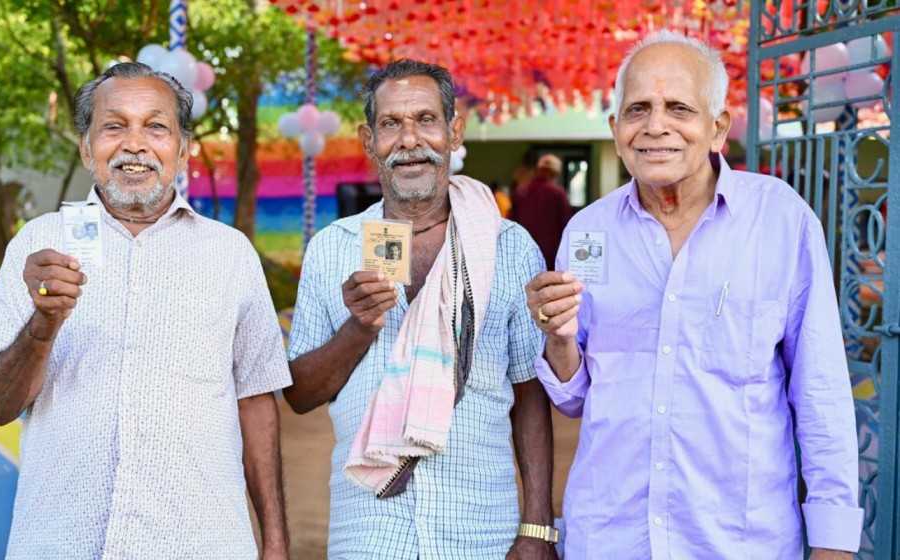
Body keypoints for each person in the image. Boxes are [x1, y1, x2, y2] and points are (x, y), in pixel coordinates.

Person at [526, 31, 861, 559]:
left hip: (738, 542)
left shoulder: (780, 220)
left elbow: (821, 393)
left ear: (717, 128)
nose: (656, 126)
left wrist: (834, 543)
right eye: (638, 109)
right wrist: (560, 340)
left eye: (678, 107)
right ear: (616, 131)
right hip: (613, 538)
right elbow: (574, 399)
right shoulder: (588, 232)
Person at [0, 62, 291, 559]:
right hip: (61, 542)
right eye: (114, 126)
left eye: (155, 126)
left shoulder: (231, 254)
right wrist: (42, 325)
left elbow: (255, 400)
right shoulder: (39, 245)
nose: (134, 144)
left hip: (200, 542)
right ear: (85, 147)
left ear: (181, 150)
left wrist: (275, 542)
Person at [286, 59, 558, 560]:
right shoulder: (333, 248)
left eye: (426, 120)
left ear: (454, 132)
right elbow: (300, 393)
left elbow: (529, 393)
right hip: (370, 531)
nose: (409, 139)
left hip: (481, 528)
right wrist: (359, 328)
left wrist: (537, 527)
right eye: (391, 124)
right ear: (370, 141)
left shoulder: (508, 246)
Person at [510, 152, 573, 268]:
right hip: (551, 255)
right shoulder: (558, 193)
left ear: (538, 170)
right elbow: (567, 225)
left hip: (523, 252)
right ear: (555, 173)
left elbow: (511, 223)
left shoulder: (521, 191)